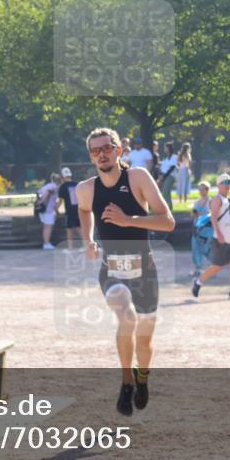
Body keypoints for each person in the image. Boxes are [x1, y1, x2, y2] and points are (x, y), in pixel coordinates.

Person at [76, 127, 174, 416]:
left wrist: (127, 220)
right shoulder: (87, 188)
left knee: (144, 341)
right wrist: (88, 240)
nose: (102, 154)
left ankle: (142, 377)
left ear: (119, 150)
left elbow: (167, 222)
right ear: (91, 156)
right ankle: (126, 382)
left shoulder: (138, 178)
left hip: (145, 272)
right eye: (95, 150)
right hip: (112, 272)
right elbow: (84, 211)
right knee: (126, 317)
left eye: (107, 147)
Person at [192, 173, 230, 300]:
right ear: (219, 185)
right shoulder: (217, 199)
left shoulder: (228, 200)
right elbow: (214, 217)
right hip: (220, 238)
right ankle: (198, 282)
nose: (228, 186)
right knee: (217, 266)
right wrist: (219, 233)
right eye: (225, 183)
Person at [190, 181, 212, 277]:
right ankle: (197, 269)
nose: (200, 191)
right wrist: (194, 214)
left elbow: (212, 215)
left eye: (202, 189)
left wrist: (201, 215)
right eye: (199, 189)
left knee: (207, 249)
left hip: (207, 229)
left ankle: (211, 269)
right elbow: (193, 215)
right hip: (197, 228)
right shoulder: (197, 202)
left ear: (207, 190)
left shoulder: (211, 202)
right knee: (195, 247)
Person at [57, 167, 81, 248]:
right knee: (80, 228)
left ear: (62, 177)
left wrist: (55, 209)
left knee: (69, 229)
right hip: (79, 209)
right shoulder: (77, 184)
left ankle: (70, 248)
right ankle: (87, 246)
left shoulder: (62, 187)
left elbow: (60, 201)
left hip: (69, 211)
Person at [36, 173, 61, 250]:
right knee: (48, 227)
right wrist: (42, 201)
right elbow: (48, 192)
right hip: (48, 209)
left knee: (46, 227)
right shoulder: (54, 186)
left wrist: (39, 202)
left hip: (43, 209)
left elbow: (38, 193)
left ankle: (46, 243)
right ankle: (46, 244)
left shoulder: (47, 185)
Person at [157, 141, 178, 211]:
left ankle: (167, 208)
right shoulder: (165, 158)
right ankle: (170, 207)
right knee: (166, 192)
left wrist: (164, 176)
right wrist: (160, 175)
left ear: (169, 148)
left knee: (165, 191)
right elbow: (162, 167)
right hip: (164, 176)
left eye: (165, 148)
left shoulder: (174, 157)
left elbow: (172, 168)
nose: (164, 149)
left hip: (170, 176)